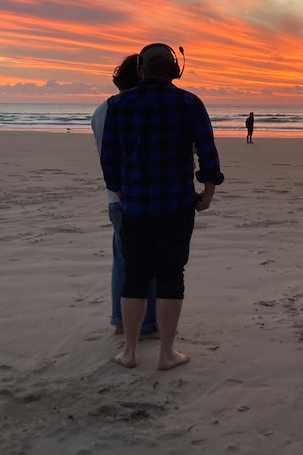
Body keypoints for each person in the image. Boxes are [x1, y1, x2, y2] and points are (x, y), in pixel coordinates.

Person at [101, 43, 224, 370]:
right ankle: (167, 353)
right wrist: (208, 191)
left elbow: (109, 159)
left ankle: (129, 352)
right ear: (174, 70)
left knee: (135, 276)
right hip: (176, 205)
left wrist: (122, 192)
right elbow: (207, 152)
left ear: (140, 69)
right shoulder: (189, 102)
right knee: (171, 274)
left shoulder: (118, 105)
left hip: (136, 207)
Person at [90, 54, 158, 339]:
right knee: (148, 262)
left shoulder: (101, 110)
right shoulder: (136, 110)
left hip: (114, 197)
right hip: (138, 194)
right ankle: (145, 325)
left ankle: (121, 321)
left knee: (123, 258)